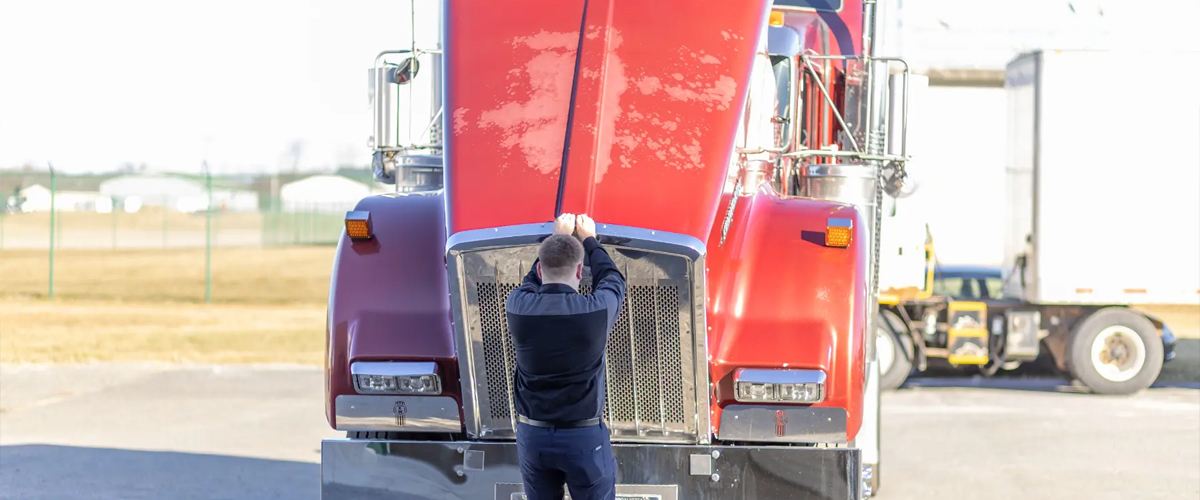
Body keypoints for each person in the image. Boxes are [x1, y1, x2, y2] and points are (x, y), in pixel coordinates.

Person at [505, 212, 626, 500]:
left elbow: (529, 283)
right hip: (583, 438)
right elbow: (613, 279)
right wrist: (590, 240)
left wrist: (556, 237)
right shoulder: (594, 311)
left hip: (533, 437)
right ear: (580, 271)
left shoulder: (517, 306)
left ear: (540, 270)